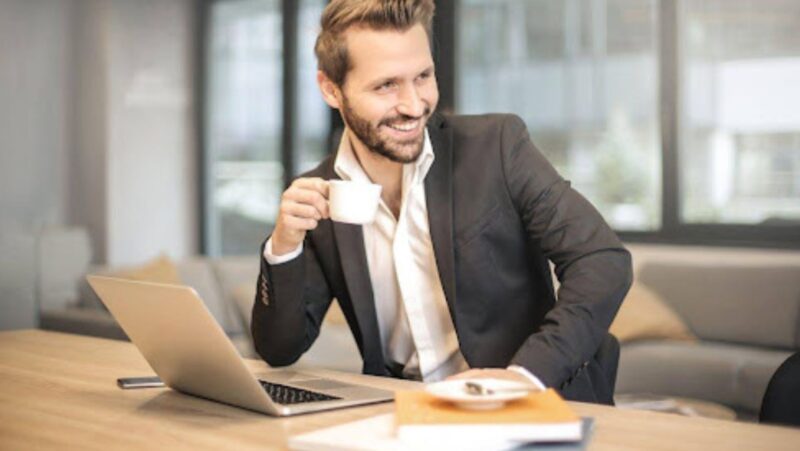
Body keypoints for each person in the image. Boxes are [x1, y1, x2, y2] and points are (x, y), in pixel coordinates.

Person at [251, 0, 632, 404]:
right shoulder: (319, 194)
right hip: (404, 412)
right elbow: (279, 349)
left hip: (528, 404)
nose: (414, 105)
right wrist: (283, 248)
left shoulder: (497, 147)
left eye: (423, 76)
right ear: (331, 88)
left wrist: (525, 376)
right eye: (386, 85)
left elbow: (602, 261)